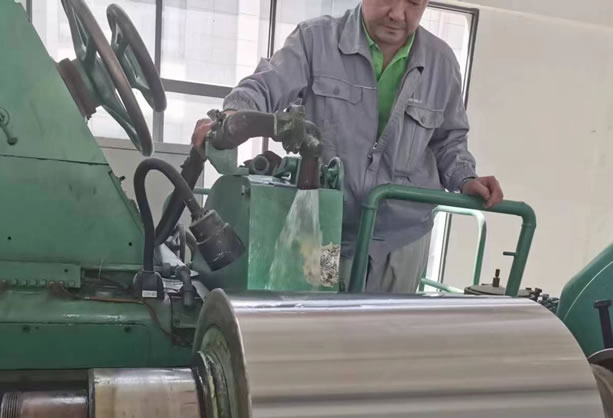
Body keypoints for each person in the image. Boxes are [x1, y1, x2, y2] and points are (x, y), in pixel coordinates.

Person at [192, 0, 503, 293]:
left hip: (402, 242)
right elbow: (263, 87)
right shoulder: (315, 40)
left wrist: (466, 178)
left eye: (413, 2)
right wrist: (231, 117)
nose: (397, 14)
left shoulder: (442, 63)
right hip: (328, 235)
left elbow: (449, 140)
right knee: (322, 319)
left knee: (389, 328)